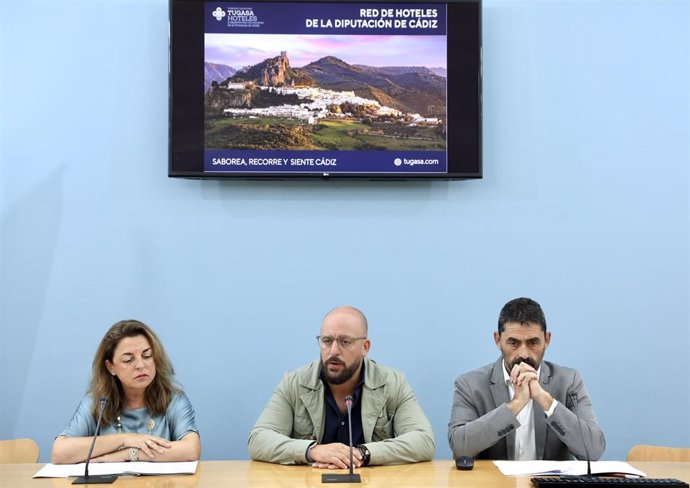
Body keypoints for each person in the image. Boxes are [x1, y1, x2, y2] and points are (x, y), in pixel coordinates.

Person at [248, 306, 435, 468]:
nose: (333, 351)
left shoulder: (393, 383)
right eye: (327, 341)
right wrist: (312, 451)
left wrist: (363, 453)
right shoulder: (294, 383)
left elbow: (423, 441)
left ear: (365, 347)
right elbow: (258, 439)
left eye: (345, 341)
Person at [448, 297, 605, 461]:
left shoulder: (569, 381)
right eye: (513, 343)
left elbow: (593, 450)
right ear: (498, 340)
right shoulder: (470, 385)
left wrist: (545, 400)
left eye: (533, 343)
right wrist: (515, 405)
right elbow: (460, 448)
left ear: (547, 340)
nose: (523, 353)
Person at [52, 320, 201, 464]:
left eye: (147, 355)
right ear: (111, 367)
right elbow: (59, 452)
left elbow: (191, 450)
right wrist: (124, 439)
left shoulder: (174, 400)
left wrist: (126, 454)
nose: (141, 365)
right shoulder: (97, 402)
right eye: (128, 360)